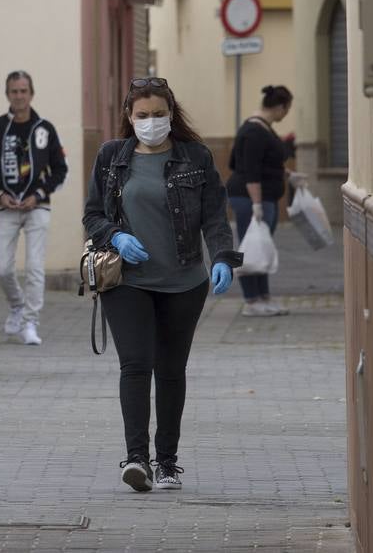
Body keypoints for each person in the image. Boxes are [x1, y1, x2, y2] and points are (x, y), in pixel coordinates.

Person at [83, 77, 241, 493]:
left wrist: (223, 258)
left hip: (184, 282)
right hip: (127, 281)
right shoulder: (111, 158)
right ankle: (137, 460)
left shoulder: (196, 157)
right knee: (135, 365)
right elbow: (93, 215)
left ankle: (167, 461)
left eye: (158, 115)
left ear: (171, 115)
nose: (151, 122)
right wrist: (115, 236)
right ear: (129, 118)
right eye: (142, 116)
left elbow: (213, 218)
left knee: (171, 371)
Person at [0, 70, 68, 346]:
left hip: (37, 207)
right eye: (14, 91)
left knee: (36, 267)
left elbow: (60, 170)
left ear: (31, 93)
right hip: (6, 207)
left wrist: (39, 194)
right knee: (2, 268)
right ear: (7, 95)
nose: (19, 96)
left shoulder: (44, 129)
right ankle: (17, 305)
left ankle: (30, 322)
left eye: (23, 91)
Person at [226, 84, 297, 317]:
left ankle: (264, 296)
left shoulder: (264, 128)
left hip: (263, 196)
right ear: (279, 107)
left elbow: (267, 163)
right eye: (287, 109)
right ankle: (251, 300)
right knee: (250, 248)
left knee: (262, 246)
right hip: (250, 198)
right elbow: (250, 170)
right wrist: (256, 204)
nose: (286, 114)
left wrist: (287, 174)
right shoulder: (254, 132)